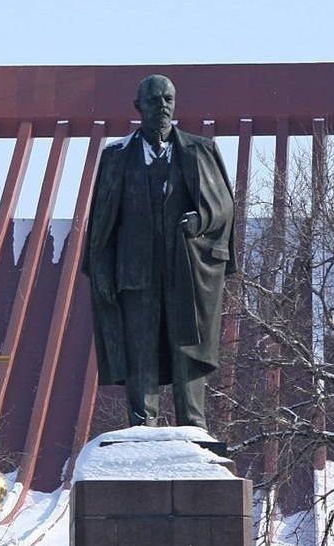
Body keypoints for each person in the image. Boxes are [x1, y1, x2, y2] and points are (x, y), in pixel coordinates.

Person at [82, 73, 238, 429]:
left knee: (187, 347)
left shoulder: (200, 151)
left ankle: (193, 427)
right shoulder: (117, 157)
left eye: (168, 99)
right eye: (154, 100)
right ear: (138, 107)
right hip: (135, 272)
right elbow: (102, 223)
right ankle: (142, 426)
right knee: (141, 349)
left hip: (185, 269)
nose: (162, 106)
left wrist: (200, 219)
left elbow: (225, 207)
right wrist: (102, 270)